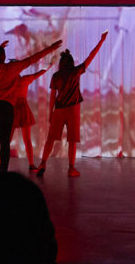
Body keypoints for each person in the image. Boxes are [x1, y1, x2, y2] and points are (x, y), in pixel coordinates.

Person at [0, 39, 62, 180]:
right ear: (4, 56)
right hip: (5, 106)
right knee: (4, 140)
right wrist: (51, 48)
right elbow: (32, 59)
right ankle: (3, 171)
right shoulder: (12, 68)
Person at [36, 31, 107, 177]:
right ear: (72, 62)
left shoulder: (56, 76)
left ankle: (43, 163)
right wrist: (101, 41)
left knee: (50, 139)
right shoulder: (75, 72)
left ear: (61, 64)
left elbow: (52, 97)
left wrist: (50, 113)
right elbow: (90, 57)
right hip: (73, 110)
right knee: (72, 141)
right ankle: (71, 168)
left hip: (59, 110)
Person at [7, 68, 48, 172]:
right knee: (25, 139)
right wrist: (49, 66)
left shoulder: (10, 82)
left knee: (8, 139)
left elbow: (37, 74)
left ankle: (1, 163)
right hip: (20, 108)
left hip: (14, 108)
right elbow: (38, 74)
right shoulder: (23, 80)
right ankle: (30, 164)